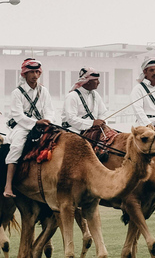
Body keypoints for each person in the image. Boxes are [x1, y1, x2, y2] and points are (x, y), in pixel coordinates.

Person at [4, 58, 55, 197]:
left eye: (37, 72)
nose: (34, 75)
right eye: (31, 72)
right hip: (22, 126)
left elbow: (50, 110)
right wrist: (35, 123)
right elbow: (18, 115)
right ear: (24, 74)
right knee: (17, 147)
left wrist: (48, 121)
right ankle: (8, 186)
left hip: (42, 125)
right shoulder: (17, 92)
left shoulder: (43, 91)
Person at [61, 67, 108, 133]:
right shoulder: (72, 96)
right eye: (96, 80)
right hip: (73, 130)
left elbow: (103, 113)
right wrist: (92, 123)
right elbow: (71, 119)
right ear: (87, 82)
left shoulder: (96, 95)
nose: (99, 82)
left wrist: (100, 121)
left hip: (93, 129)